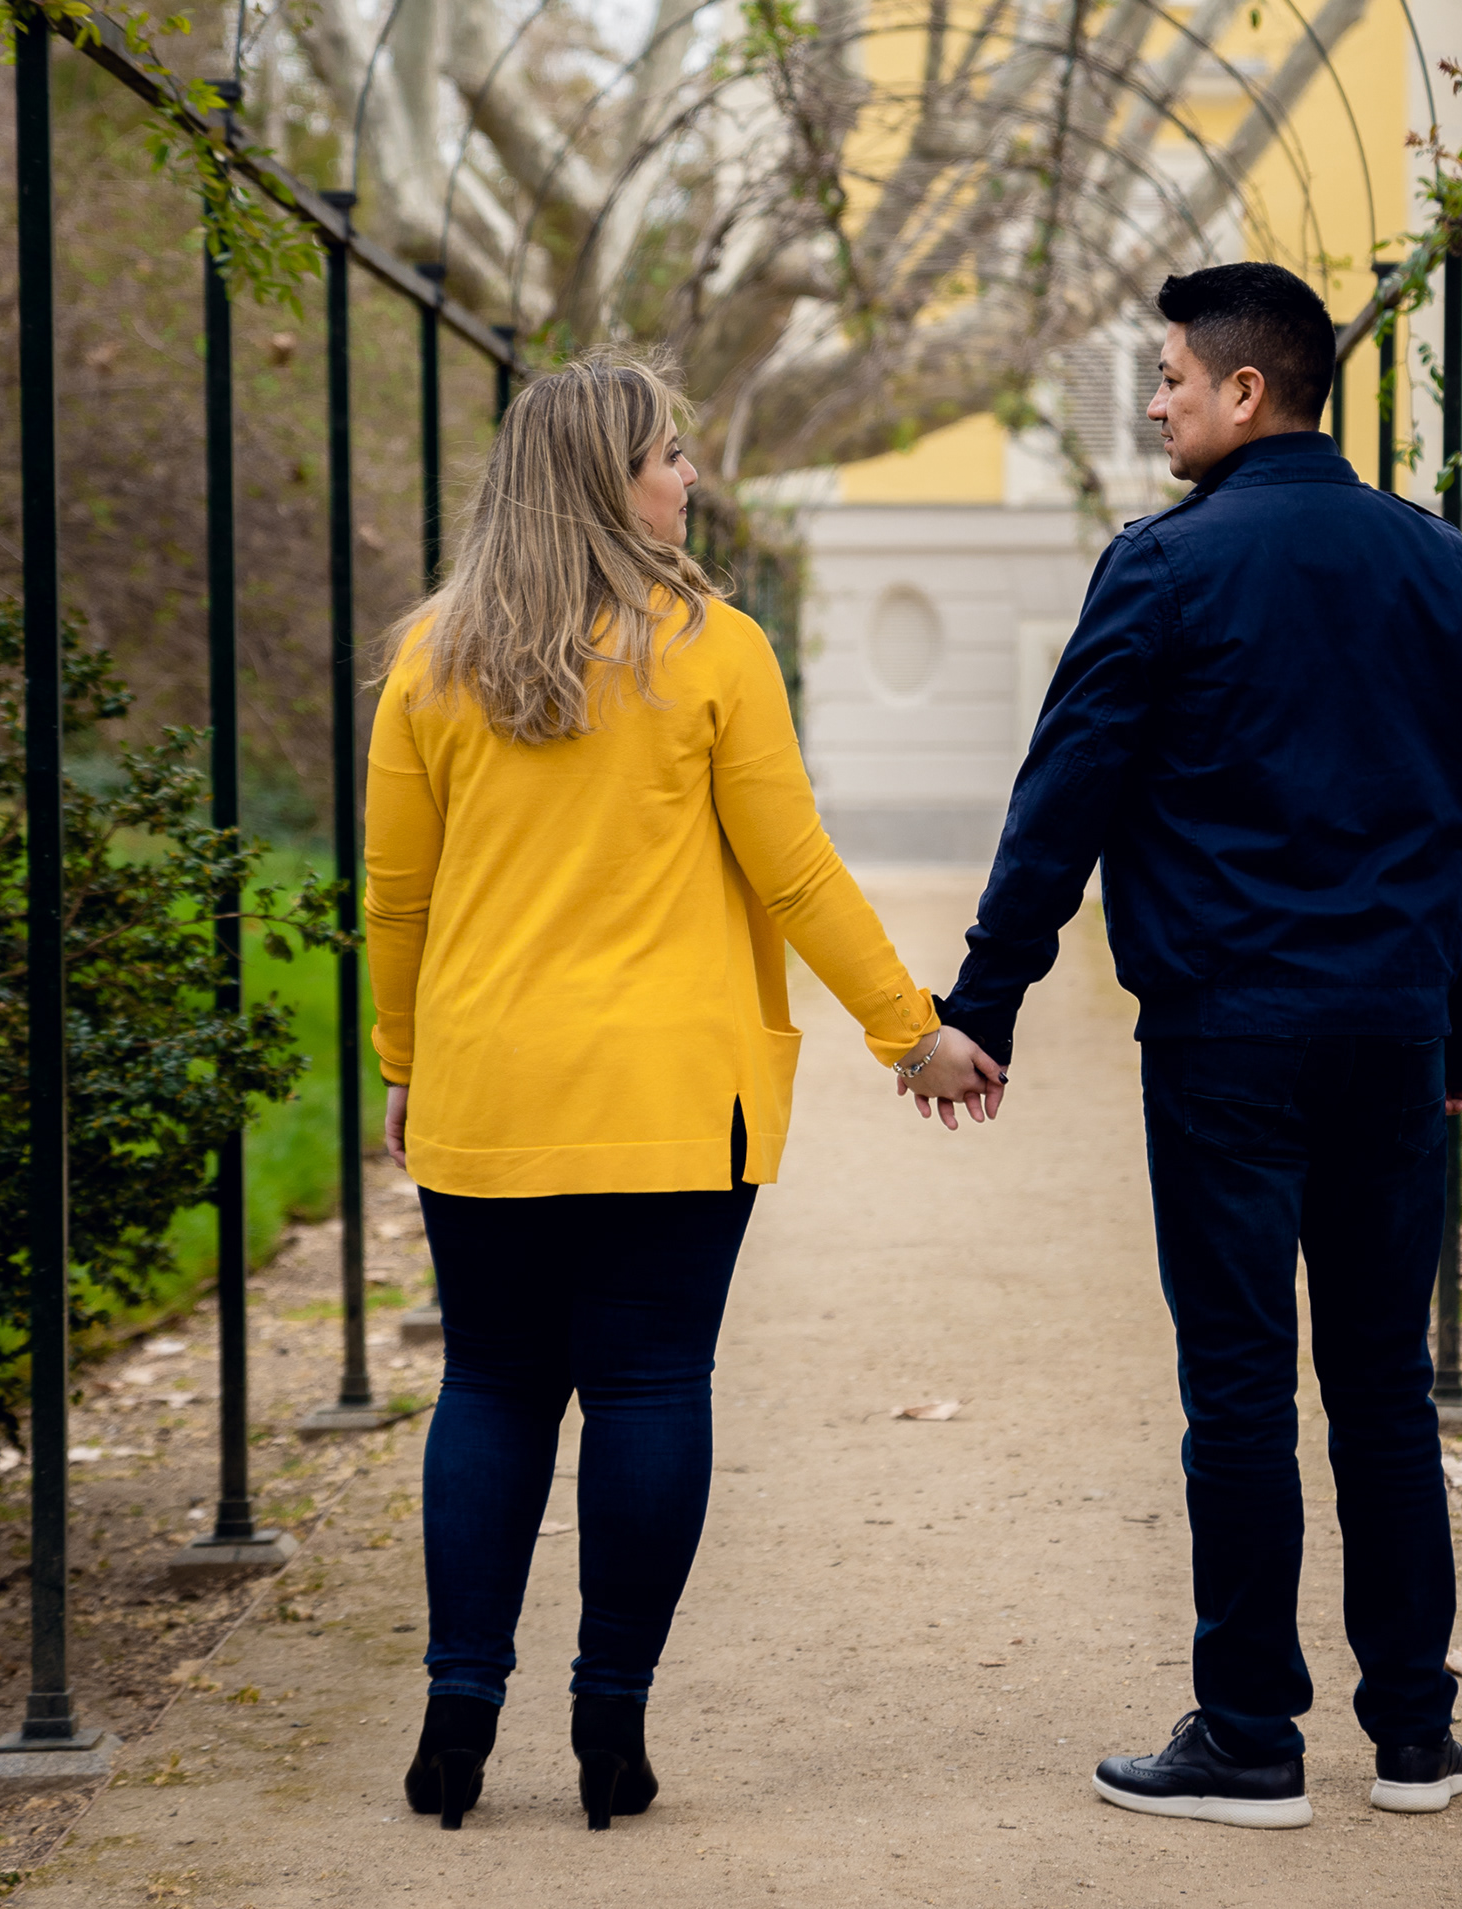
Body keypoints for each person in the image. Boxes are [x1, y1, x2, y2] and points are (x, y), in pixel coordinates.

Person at [365, 352, 1003, 1834]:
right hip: (672, 1104)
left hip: (490, 1092)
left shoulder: (432, 658)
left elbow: (396, 898)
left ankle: (460, 1712)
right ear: (605, 475)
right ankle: (611, 1724)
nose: (687, 477)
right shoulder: (713, 648)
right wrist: (912, 1032)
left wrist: (405, 1061)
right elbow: (793, 872)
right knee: (650, 1385)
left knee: (493, 1383)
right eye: (666, 455)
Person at [935, 261, 1462, 1831]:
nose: (1156, 401)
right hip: (1391, 1034)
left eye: (1172, 378)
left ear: (1245, 391)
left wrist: (981, 1006)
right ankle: (1416, 1739)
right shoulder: (1437, 565)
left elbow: (1062, 801)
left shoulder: (1163, 566)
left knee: (1243, 1386)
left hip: (1228, 1039)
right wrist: (1458, 1021)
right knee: (1385, 1384)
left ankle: (1252, 1734)